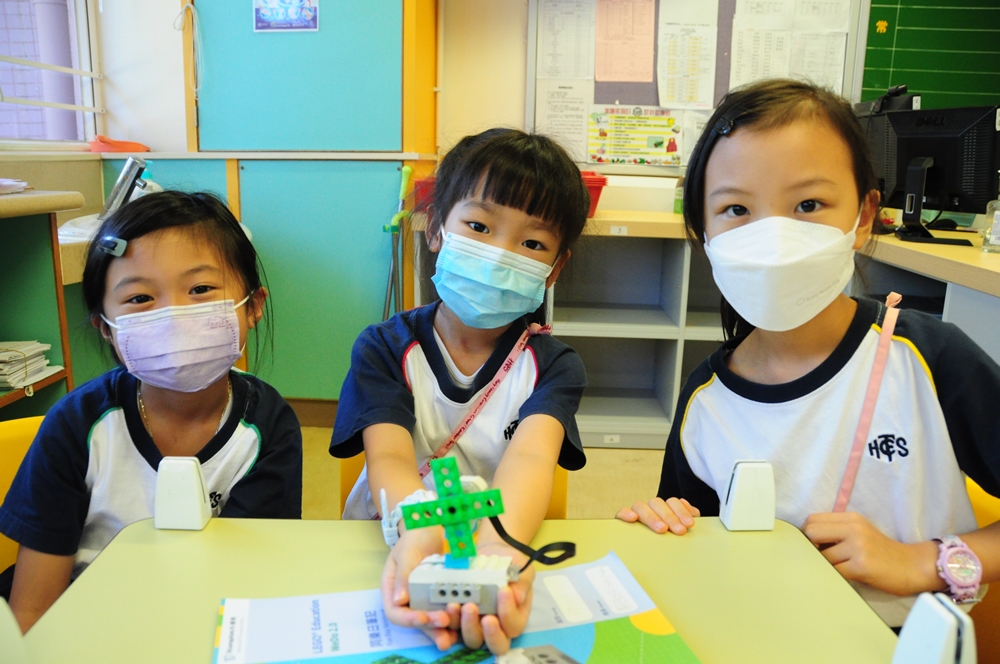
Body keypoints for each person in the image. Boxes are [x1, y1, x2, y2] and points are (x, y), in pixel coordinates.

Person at [616, 79, 1000, 628]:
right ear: (704, 233)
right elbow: (698, 544)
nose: (774, 239)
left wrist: (923, 561)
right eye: (736, 208)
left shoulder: (928, 359)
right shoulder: (705, 401)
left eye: (808, 204)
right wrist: (666, 524)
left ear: (864, 215)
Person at [331, 129, 588, 654]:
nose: (498, 256)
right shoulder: (383, 348)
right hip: (389, 539)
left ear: (554, 269)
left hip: (495, 537)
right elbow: (389, 457)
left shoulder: (554, 366)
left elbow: (531, 459)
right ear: (435, 230)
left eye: (532, 243)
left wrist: (496, 551)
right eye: (479, 226)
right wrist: (419, 534)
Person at [0, 191, 302, 632]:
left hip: (203, 625)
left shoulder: (268, 425)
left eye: (200, 289)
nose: (173, 316)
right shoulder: (77, 426)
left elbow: (248, 584)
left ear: (252, 306)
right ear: (107, 328)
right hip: (84, 627)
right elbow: (32, 609)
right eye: (140, 298)